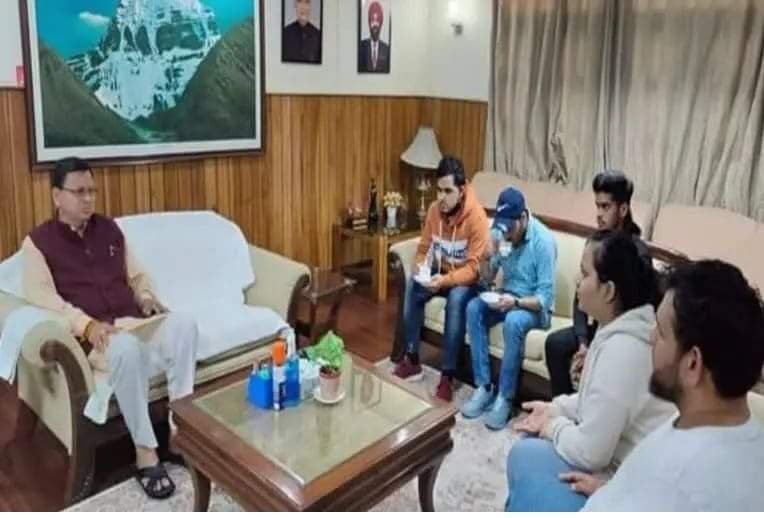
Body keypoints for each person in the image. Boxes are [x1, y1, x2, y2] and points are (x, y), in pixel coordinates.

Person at [21, 157, 199, 500]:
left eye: (92, 191)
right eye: (79, 192)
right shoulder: (38, 244)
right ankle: (145, 453)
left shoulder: (110, 230)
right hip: (97, 338)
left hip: (134, 321)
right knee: (126, 349)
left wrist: (146, 298)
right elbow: (44, 301)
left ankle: (179, 434)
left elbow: (138, 276)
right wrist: (86, 325)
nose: (88, 199)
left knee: (185, 325)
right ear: (57, 196)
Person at [504, 231, 675, 511]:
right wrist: (556, 408)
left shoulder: (624, 350)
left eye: (584, 273)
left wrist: (551, 426)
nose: (576, 280)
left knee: (526, 455)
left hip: (628, 483)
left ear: (608, 291)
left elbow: (590, 452)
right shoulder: (618, 329)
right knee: (524, 453)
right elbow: (596, 400)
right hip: (620, 468)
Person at [575, 260, 764, 511]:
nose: (651, 336)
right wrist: (613, 491)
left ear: (693, 363)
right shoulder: (741, 436)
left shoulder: (676, 477)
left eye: (662, 332)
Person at [544, 170, 649, 397]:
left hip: (621, 331)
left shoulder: (637, 254)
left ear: (623, 209)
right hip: (594, 325)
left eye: (605, 207)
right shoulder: (595, 243)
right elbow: (580, 294)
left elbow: (634, 310)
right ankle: (562, 407)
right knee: (555, 344)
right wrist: (583, 342)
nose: (599, 214)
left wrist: (596, 346)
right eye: (597, 206)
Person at [393, 156, 489, 402]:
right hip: (442, 273)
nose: (441, 197)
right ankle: (412, 358)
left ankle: (448, 375)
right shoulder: (434, 212)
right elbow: (423, 249)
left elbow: (474, 269)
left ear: (462, 190)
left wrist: (444, 282)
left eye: (448, 191)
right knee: (414, 285)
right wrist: (420, 268)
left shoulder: (477, 218)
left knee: (456, 299)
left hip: (469, 281)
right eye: (438, 190)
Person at [461, 187, 557, 430]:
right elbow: (487, 279)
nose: (506, 233)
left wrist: (516, 303)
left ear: (523, 218)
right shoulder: (502, 235)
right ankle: (484, 386)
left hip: (534, 308)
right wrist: (485, 257)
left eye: (510, 228)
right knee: (474, 308)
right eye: (502, 227)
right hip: (507, 296)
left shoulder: (543, 242)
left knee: (514, 321)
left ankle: (505, 397)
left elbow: (545, 299)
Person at [358, 1, 390, 73]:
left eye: (377, 20)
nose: (375, 24)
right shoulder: (361, 47)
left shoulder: (386, 49)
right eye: (372, 20)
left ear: (381, 23)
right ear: (369, 23)